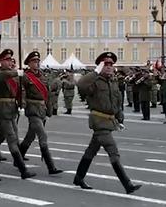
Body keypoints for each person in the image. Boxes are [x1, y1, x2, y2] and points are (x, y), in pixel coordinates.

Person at [74, 52, 141, 194]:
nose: (109, 66)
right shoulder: (95, 81)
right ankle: (127, 184)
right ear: (100, 66)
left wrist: (120, 118)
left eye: (111, 64)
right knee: (113, 151)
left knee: (91, 151)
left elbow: (117, 102)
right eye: (106, 64)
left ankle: (78, 178)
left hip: (109, 121)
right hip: (99, 122)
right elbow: (81, 85)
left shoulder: (113, 81)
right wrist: (96, 72)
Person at [0, 49, 35, 179]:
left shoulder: (13, 74)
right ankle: (23, 169)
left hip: (12, 109)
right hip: (3, 110)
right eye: (7, 60)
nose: (9, 62)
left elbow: (23, 83)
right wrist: (15, 72)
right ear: (1, 61)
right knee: (12, 138)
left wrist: (21, 103)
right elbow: (1, 77)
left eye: (10, 60)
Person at [18, 51, 63, 175]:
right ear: (29, 63)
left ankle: (19, 157)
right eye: (34, 61)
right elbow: (22, 92)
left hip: (42, 109)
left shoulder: (42, 76)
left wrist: (49, 110)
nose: (36, 63)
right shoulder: (26, 77)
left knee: (30, 136)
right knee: (42, 136)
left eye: (38, 61)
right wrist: (22, 104)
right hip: (32, 110)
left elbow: (47, 94)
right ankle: (51, 166)